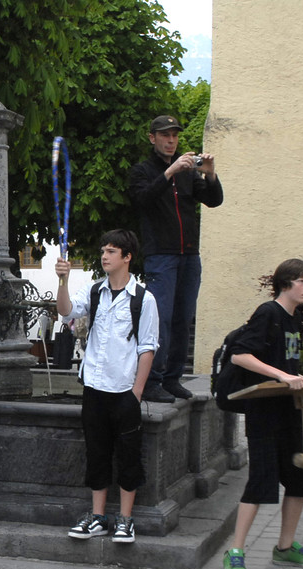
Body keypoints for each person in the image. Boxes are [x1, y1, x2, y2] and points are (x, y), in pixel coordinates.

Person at [55, 230, 160, 544]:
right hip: (95, 387)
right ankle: (98, 517)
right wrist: (62, 281)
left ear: (127, 257)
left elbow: (148, 347)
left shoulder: (143, 299)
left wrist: (136, 392)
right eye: (103, 250)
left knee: (129, 455)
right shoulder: (94, 291)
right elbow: (65, 311)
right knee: (96, 453)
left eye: (112, 251)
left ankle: (125, 519)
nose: (104, 256)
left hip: (124, 389)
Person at [222, 259, 303, 569]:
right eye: (302, 281)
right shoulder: (268, 313)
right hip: (265, 413)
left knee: (300, 480)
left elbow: (286, 363)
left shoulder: (295, 319)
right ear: (285, 283)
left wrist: (295, 378)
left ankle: (285, 547)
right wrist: (281, 375)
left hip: (290, 411)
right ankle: (235, 550)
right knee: (261, 483)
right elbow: (240, 355)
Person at [129, 114, 223, 403]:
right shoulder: (142, 171)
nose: (171, 141)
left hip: (189, 256)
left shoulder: (187, 173)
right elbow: (142, 199)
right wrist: (170, 172)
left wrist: (210, 174)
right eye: (165, 135)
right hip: (161, 255)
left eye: (174, 136)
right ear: (152, 138)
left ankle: (172, 379)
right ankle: (151, 380)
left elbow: (214, 200)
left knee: (183, 319)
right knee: (160, 319)